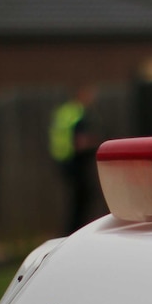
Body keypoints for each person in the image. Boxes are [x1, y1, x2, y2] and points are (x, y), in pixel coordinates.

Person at [49, 86, 97, 234]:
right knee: (83, 199)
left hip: (63, 160)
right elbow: (80, 142)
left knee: (77, 200)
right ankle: (76, 233)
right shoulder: (78, 114)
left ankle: (71, 232)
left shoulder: (64, 112)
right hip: (76, 162)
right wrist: (95, 144)